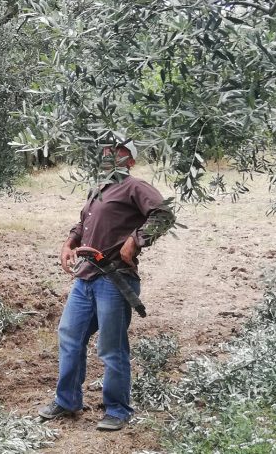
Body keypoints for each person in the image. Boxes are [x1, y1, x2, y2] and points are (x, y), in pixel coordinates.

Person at [38, 132, 175, 431]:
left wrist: (136, 240)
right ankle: (67, 400)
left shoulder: (134, 186)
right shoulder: (98, 188)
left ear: (131, 159)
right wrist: (69, 243)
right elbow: (83, 224)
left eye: (117, 150)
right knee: (70, 337)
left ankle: (117, 409)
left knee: (111, 347)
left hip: (114, 280)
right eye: (106, 149)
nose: (108, 153)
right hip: (85, 279)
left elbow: (164, 214)